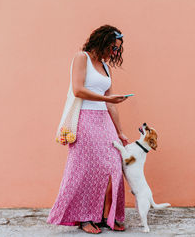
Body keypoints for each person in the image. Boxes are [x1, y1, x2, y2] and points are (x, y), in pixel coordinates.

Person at [47, 25, 130, 234]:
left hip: (104, 120)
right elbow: (78, 89)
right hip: (85, 119)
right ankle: (85, 218)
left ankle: (107, 215)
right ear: (101, 41)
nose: (114, 52)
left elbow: (111, 104)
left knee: (114, 164)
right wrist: (105, 98)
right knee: (85, 169)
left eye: (117, 49)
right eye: (113, 47)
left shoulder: (106, 67)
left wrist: (119, 131)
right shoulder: (81, 58)